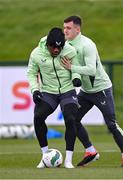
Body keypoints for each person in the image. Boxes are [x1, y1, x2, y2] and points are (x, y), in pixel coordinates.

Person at [61, 15, 123, 167]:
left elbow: (91, 69)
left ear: (77, 29)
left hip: (101, 90)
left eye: (68, 28)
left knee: (111, 124)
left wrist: (71, 68)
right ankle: (90, 151)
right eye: (64, 27)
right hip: (86, 92)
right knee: (72, 120)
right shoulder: (66, 45)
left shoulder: (87, 45)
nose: (65, 30)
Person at [27, 27, 82, 169]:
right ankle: (45, 156)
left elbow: (75, 67)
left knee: (70, 119)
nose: (57, 50)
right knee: (38, 117)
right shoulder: (36, 54)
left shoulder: (70, 50)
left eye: (60, 47)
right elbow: (31, 73)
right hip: (48, 92)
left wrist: (76, 78)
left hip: (67, 90)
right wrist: (35, 90)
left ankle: (68, 160)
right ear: (47, 45)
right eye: (53, 47)